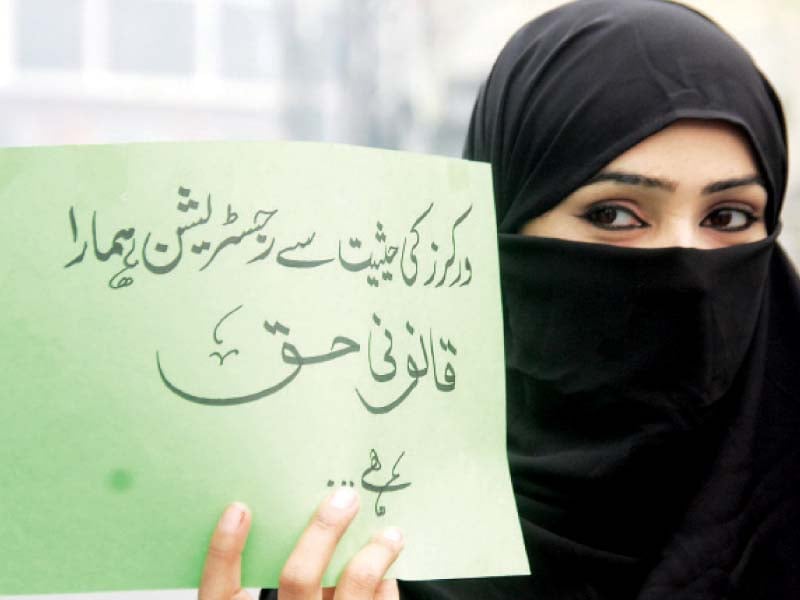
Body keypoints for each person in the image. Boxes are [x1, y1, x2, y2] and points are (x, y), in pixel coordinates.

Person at [199, 0, 800, 598]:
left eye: (729, 214)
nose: (687, 267)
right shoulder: (367, 558)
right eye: (614, 214)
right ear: (500, 230)